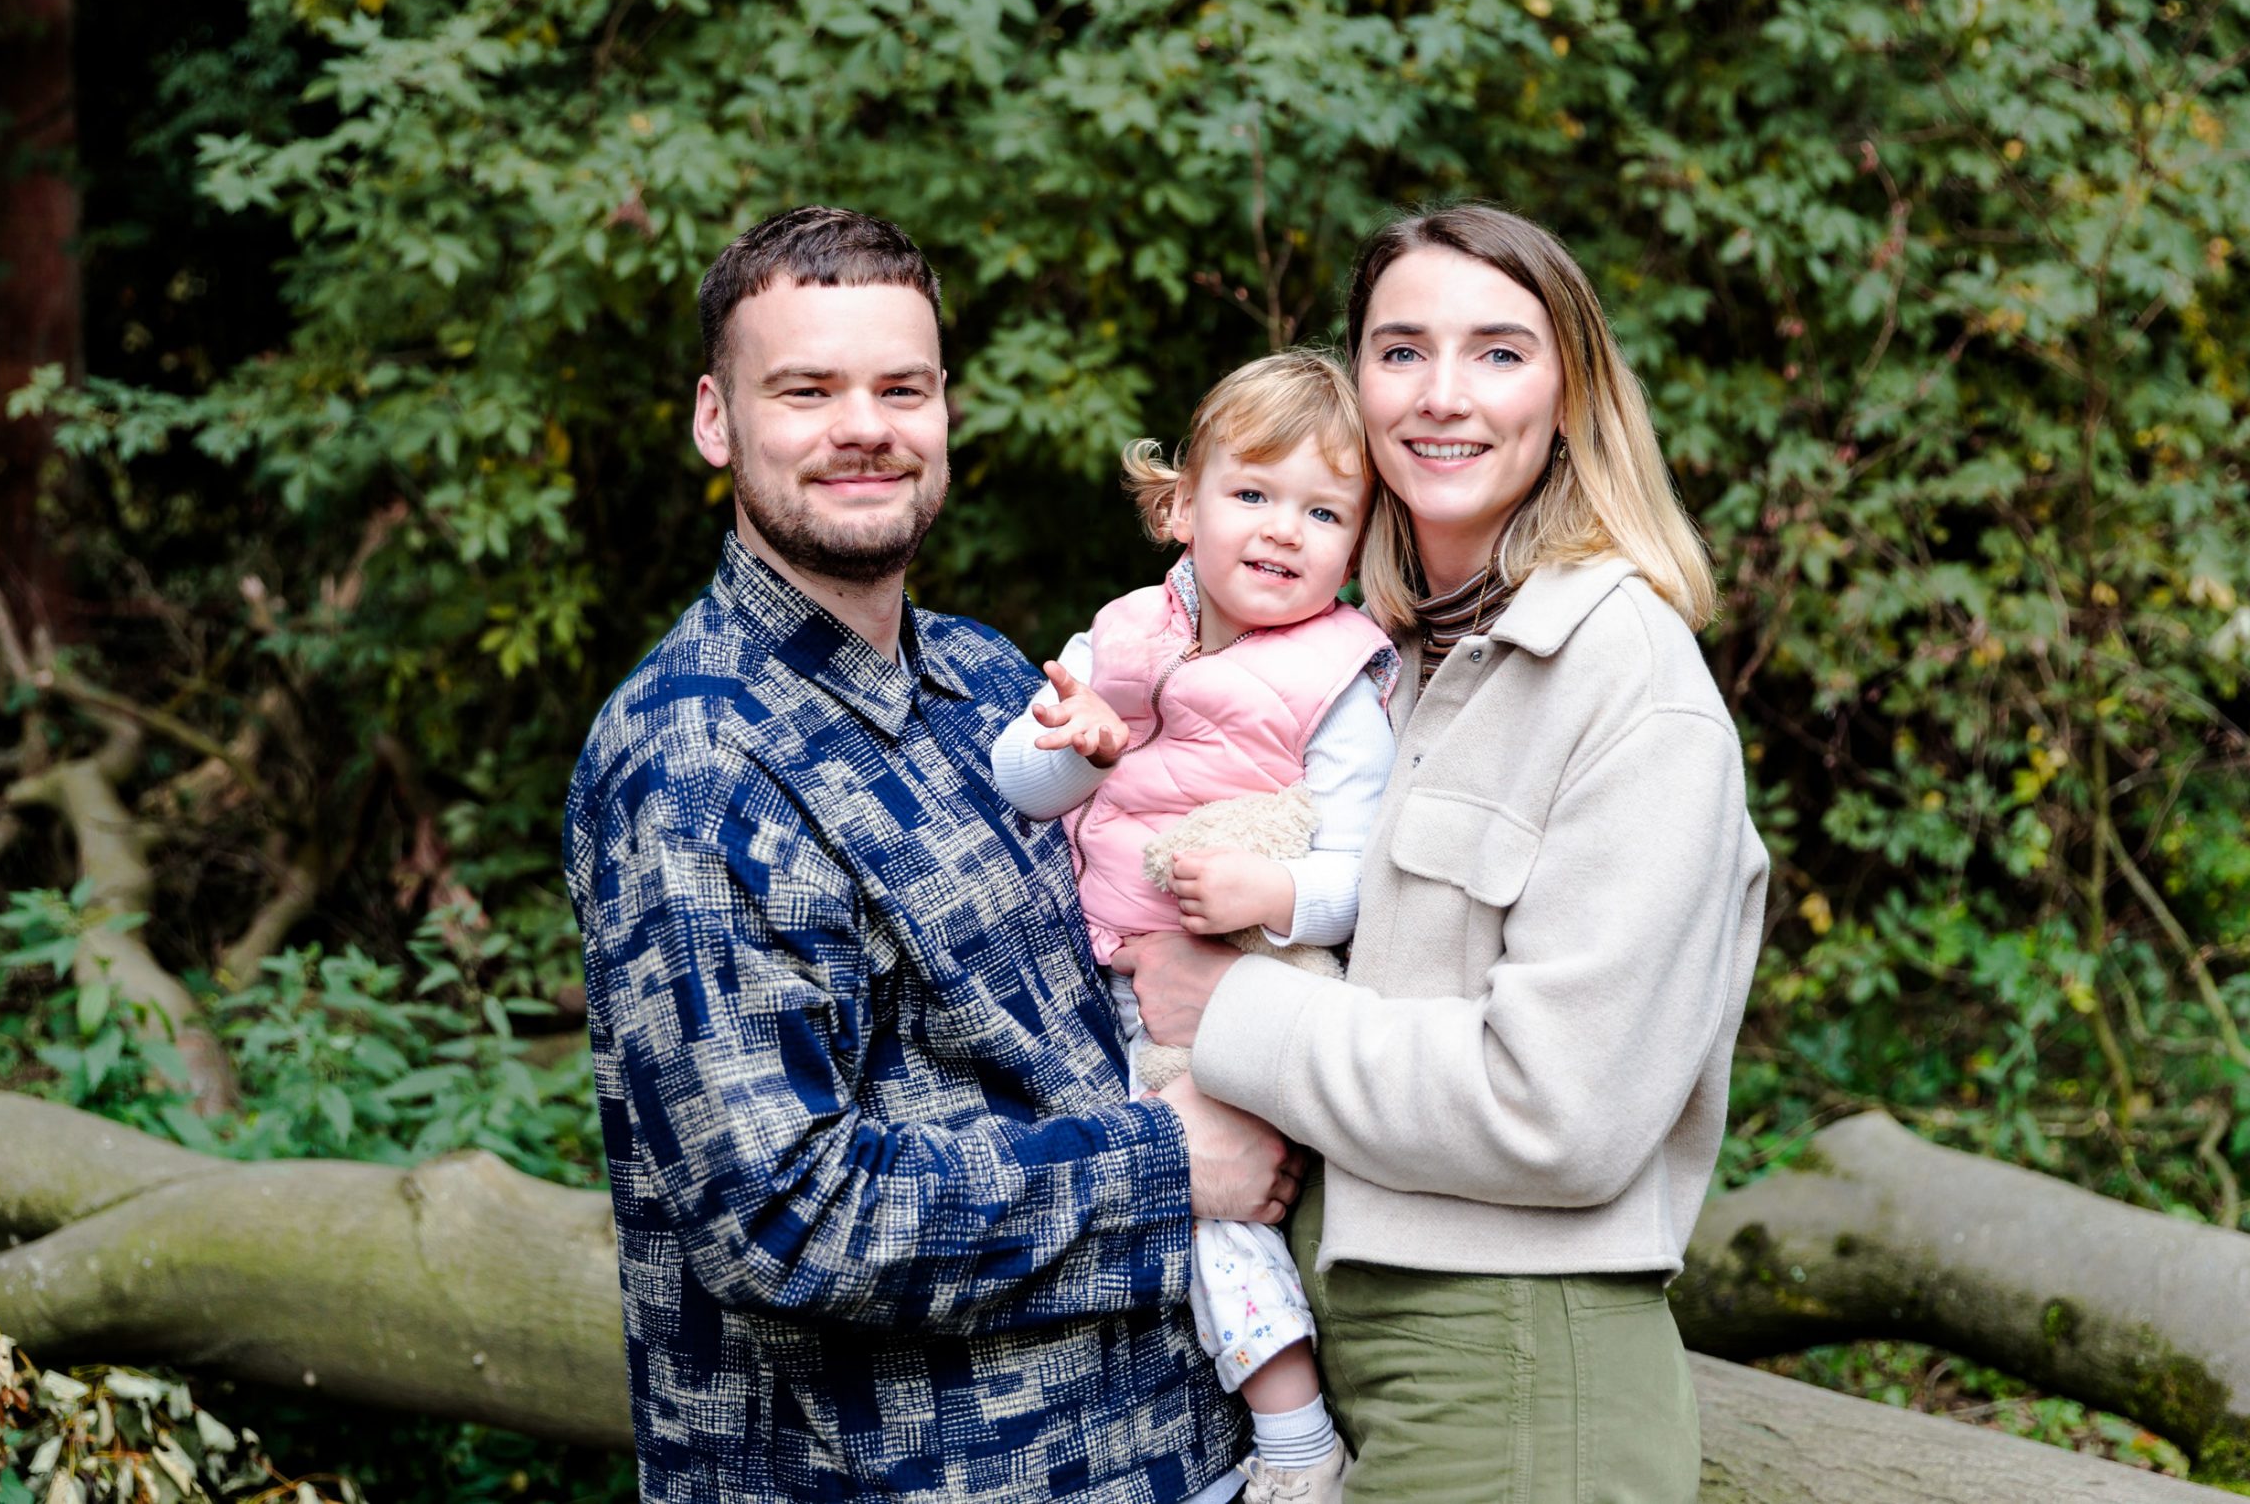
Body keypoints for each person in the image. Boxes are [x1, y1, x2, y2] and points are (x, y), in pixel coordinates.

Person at [564, 206, 1301, 1504]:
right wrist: (1160, 1162)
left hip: (1169, 1458)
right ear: (715, 419)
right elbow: (779, 1212)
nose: (866, 423)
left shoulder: (988, 679)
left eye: (901, 385)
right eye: (808, 388)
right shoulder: (692, 752)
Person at [1113, 203, 1770, 1503]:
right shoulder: (1382, 668)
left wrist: (1235, 1010)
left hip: (1521, 1367)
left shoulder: (1628, 680)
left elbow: (1560, 1110)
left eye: (1501, 352)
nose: (1444, 394)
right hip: (1357, 1347)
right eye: (1402, 350)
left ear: (1572, 393)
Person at [990, 353, 1397, 1504]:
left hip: (1257, 976)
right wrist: (1071, 744)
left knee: (1211, 1198)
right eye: (1252, 495)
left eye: (1323, 512)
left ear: (1359, 543)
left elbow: (1364, 873)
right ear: (1179, 506)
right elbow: (1017, 784)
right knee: (1137, 1188)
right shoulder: (1121, 637)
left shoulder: (1339, 682)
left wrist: (1276, 901)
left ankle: (1296, 1439)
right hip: (1113, 970)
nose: (1282, 532)